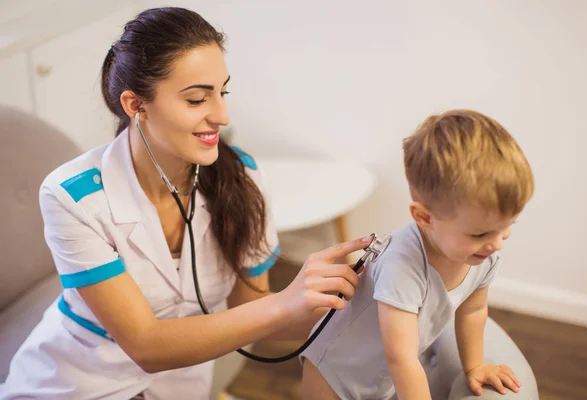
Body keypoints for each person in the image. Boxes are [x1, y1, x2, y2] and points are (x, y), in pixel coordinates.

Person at [0, 7, 371, 400]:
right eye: (197, 99)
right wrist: (284, 303)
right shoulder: (72, 197)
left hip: (180, 387)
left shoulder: (241, 178)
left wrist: (342, 299)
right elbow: (147, 345)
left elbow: (258, 314)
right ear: (135, 105)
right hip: (78, 383)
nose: (222, 116)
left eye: (222, 91)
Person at [300, 109, 535, 400]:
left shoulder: (482, 255)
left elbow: (473, 311)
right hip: (335, 373)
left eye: (507, 226)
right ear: (424, 217)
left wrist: (474, 366)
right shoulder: (402, 267)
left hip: (383, 377)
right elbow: (402, 358)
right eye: (480, 234)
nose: (497, 244)